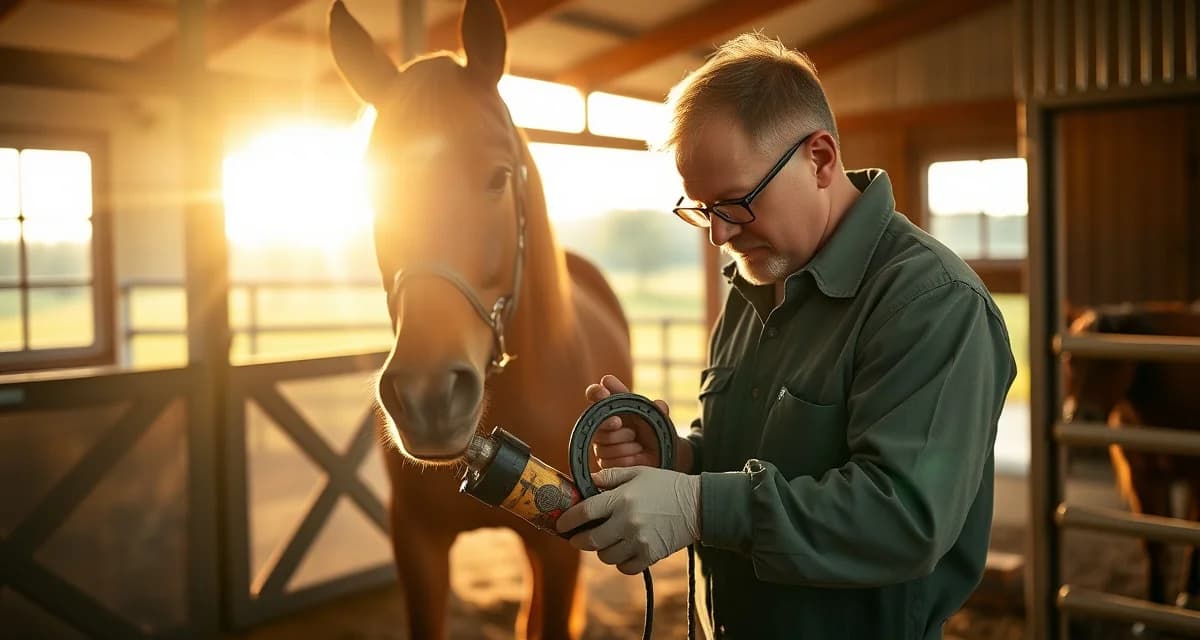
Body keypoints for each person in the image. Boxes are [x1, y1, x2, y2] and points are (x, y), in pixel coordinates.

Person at [554, 32, 1017, 639]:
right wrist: (678, 456)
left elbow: (902, 517)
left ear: (820, 159)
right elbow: (759, 452)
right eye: (700, 209)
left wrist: (697, 506)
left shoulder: (930, 303)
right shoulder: (756, 285)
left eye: (735, 202)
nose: (718, 234)